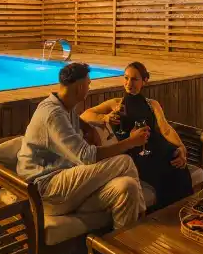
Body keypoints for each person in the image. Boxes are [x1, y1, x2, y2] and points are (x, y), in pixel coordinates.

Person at [16, 61, 150, 230]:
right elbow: (87, 156)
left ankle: (123, 241)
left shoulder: (63, 106)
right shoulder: (53, 114)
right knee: (124, 161)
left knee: (128, 187)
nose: (89, 87)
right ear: (79, 88)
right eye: (88, 83)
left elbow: (72, 122)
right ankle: (143, 220)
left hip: (68, 188)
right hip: (45, 191)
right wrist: (131, 142)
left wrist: (87, 127)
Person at [81, 61, 193, 209]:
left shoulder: (152, 104)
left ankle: (185, 209)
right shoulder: (116, 103)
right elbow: (85, 115)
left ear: (144, 81)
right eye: (126, 78)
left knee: (175, 160)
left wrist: (181, 147)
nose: (129, 83)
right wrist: (105, 117)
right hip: (134, 152)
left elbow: (165, 129)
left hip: (155, 147)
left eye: (134, 79)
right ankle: (165, 214)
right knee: (164, 170)